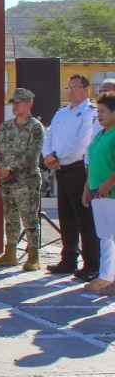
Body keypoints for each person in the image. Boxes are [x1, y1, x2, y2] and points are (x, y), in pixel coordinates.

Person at [42, 74, 98, 281]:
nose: (71, 91)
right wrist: (47, 155)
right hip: (61, 169)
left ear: (86, 90)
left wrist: (56, 155)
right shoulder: (61, 113)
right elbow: (49, 135)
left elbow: (82, 141)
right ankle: (68, 259)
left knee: (85, 219)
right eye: (69, 87)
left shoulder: (89, 113)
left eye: (76, 87)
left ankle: (92, 263)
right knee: (66, 217)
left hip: (77, 168)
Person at [0, 88, 45, 271]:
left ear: (29, 104)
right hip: (6, 181)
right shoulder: (6, 126)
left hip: (26, 181)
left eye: (19, 102)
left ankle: (33, 256)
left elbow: (32, 154)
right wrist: (1, 168)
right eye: (13, 102)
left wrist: (10, 168)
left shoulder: (35, 127)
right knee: (10, 217)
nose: (15, 105)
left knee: (30, 218)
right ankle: (10, 253)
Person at [82, 92, 115, 294]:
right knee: (105, 236)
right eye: (98, 111)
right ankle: (106, 277)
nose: (99, 115)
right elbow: (92, 164)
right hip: (97, 193)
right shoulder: (100, 134)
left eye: (103, 111)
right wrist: (87, 187)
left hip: (111, 193)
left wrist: (108, 183)